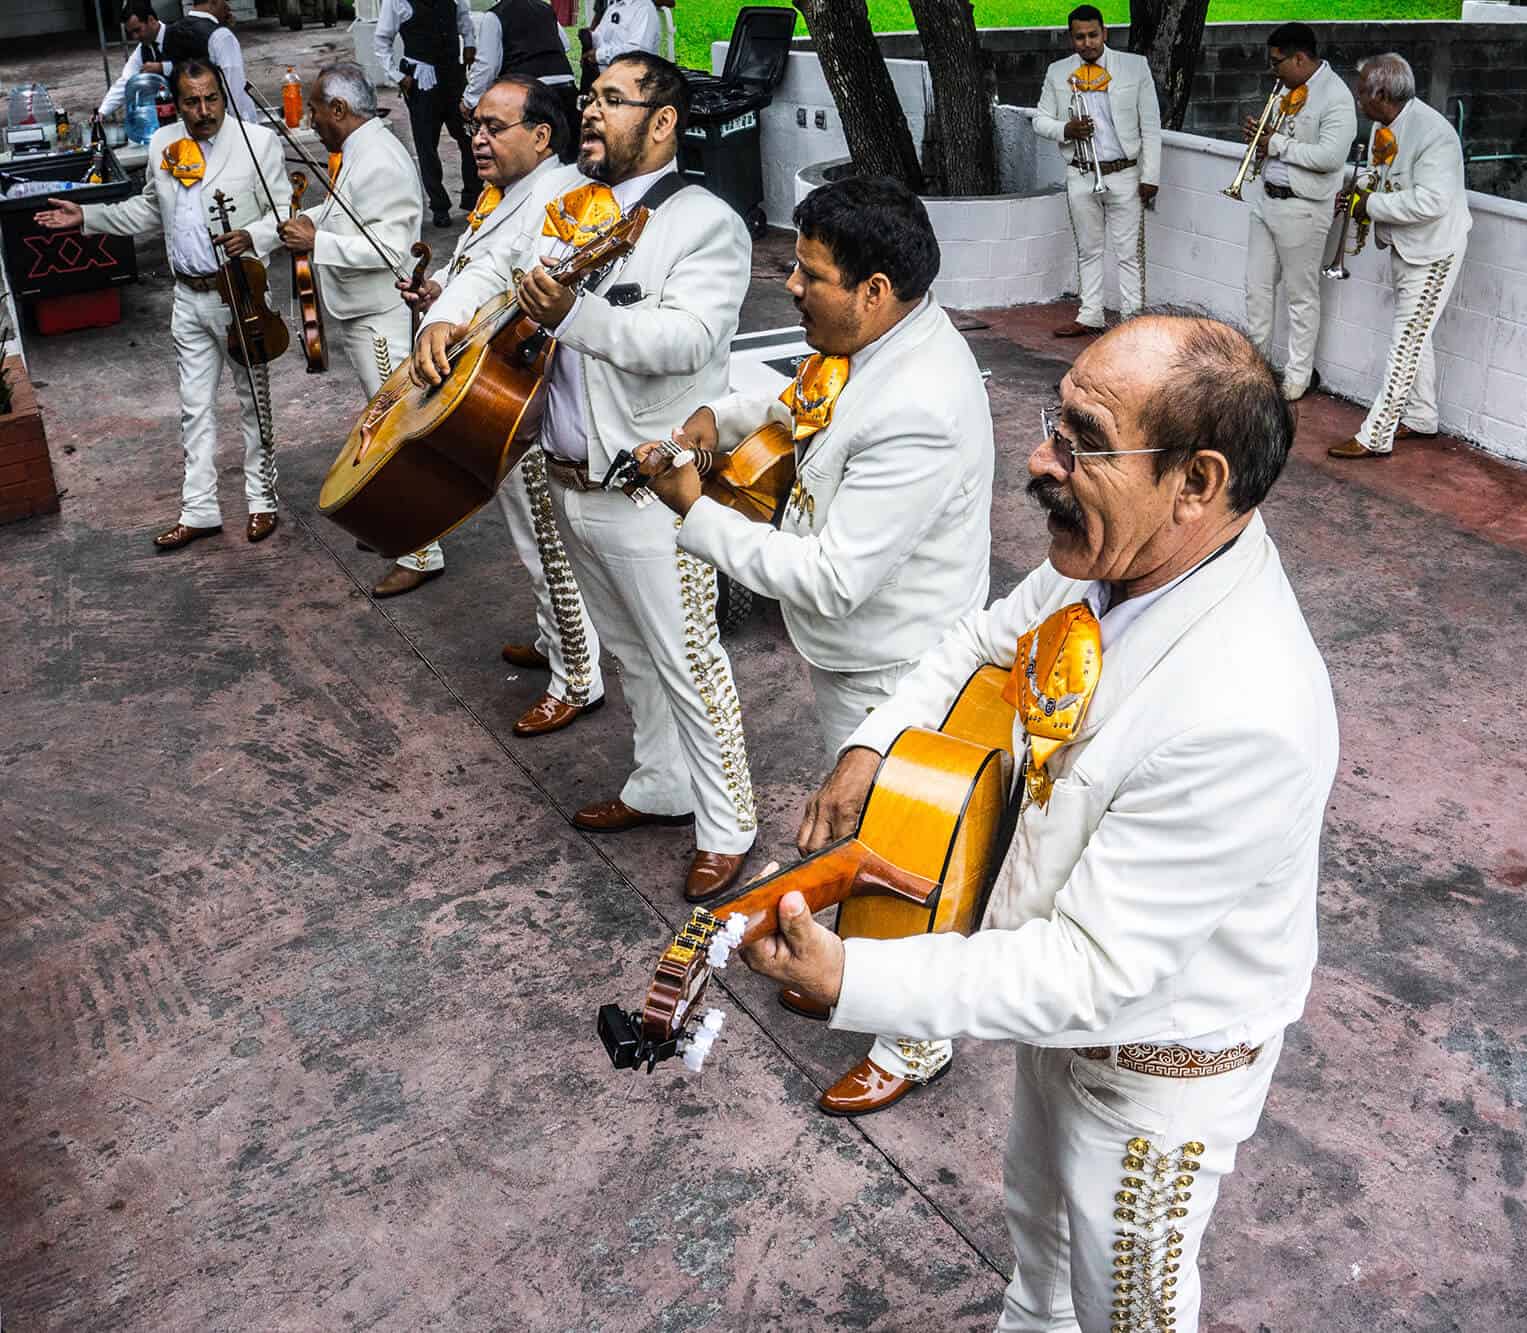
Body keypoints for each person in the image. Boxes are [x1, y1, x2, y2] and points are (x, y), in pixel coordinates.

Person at [740, 311, 1339, 1333]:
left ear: (1196, 483)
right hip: (1051, 1028)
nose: (1037, 459)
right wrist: (872, 744)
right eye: (1054, 422)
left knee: (1126, 1307)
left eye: (1082, 442)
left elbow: (1091, 970)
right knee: (1038, 1238)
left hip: (1155, 1074)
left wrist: (856, 979)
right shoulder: (1115, 559)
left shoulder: (1243, 710)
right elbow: (977, 641)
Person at [639, 175, 993, 1118]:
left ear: (874, 290)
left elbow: (834, 575)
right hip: (855, 656)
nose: (790, 286)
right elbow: (804, 394)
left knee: (900, 855)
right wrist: (726, 409)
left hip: (898, 669)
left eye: (809, 273)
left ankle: (915, 1040)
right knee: (867, 841)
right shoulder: (875, 339)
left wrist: (696, 512)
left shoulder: (917, 404)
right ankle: (856, 970)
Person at [414, 52, 757, 901]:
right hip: (573, 480)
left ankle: (729, 827)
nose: (592, 113)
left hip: (654, 498)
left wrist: (578, 314)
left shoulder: (705, 222)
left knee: (689, 663)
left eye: (613, 100)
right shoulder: (570, 208)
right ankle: (660, 784)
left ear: (665, 120)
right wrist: (448, 313)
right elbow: (494, 269)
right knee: (633, 656)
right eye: (591, 98)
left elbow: (685, 341)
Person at [400, 76, 604, 738]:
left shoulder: (559, 198)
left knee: (546, 542)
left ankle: (580, 675)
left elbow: (521, 292)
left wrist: (454, 309)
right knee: (529, 538)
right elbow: (484, 274)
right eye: (474, 125)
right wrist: (440, 299)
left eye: (494, 127)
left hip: (525, 400)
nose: (476, 138)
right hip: (498, 390)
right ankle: (553, 638)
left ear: (543, 137)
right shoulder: (512, 194)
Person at [39, 59, 288, 551]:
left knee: (253, 403)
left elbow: (285, 214)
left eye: (211, 98)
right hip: (187, 298)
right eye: (191, 101)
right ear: (177, 104)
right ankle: (200, 511)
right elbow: (151, 209)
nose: (203, 110)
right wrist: (87, 215)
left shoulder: (258, 143)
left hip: (240, 295)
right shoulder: (161, 144)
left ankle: (262, 501)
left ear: (224, 95)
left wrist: (253, 235)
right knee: (194, 410)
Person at [226, 63, 430, 595]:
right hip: (360, 313)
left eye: (315, 108)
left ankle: (422, 551)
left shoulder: (380, 159)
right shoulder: (358, 151)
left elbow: (392, 248)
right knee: (380, 426)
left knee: (394, 433)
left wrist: (317, 245)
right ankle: (398, 524)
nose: (310, 118)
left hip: (379, 317)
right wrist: (262, 235)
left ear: (340, 110)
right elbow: (336, 214)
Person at [1327, 53, 1472, 459]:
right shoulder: (1381, 126)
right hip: (1406, 244)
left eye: (1362, 93)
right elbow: (1378, 175)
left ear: (1383, 94)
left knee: (1405, 342)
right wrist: (1357, 191)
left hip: (1434, 250)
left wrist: (1368, 205)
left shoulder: (1435, 135)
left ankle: (1375, 435)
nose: (1357, 99)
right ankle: (1422, 416)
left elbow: (1431, 202)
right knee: (1414, 334)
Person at [1243, 22, 1356, 404]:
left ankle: (1296, 377)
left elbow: (1329, 158)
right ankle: (1254, 370)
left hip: (1305, 208)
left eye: (1278, 63)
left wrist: (1276, 144)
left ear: (1300, 58)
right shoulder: (1285, 91)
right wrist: (1262, 139)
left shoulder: (1336, 97)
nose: (1272, 70)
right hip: (1267, 200)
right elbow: (1276, 143)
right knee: (1256, 288)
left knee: (1300, 296)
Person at [1032, 5, 1160, 340]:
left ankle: (1133, 318)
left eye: (1092, 35)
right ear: (1071, 38)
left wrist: (1151, 177)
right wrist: (1066, 128)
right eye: (1079, 37)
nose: (1087, 43)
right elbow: (1040, 119)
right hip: (1081, 172)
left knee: (1129, 251)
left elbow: (1151, 127)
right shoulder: (1058, 72)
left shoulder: (1134, 67)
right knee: (1088, 249)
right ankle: (1090, 314)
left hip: (1124, 173)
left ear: (1105, 33)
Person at [374, 0, 479, 226]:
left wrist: (469, 42)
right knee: (426, 145)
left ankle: (473, 198)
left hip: (453, 73)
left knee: (469, 136)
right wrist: (396, 75)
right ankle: (439, 205)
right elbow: (382, 40)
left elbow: (464, 19)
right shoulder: (397, 2)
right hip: (421, 79)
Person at [491, 0, 583, 163]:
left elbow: (488, 65)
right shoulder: (544, 8)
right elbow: (566, 44)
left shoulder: (494, 15)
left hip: (530, 90)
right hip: (564, 83)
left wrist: (471, 100)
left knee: (537, 154)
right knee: (570, 153)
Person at [163, 0, 248, 124]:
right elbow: (234, 91)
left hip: (187, 123)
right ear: (214, 1)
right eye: (226, 1)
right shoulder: (221, 36)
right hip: (216, 121)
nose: (229, 7)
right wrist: (246, 126)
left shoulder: (171, 31)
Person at [98, 2, 167, 121]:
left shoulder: (178, 35)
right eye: (131, 33)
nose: (135, 37)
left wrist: (162, 67)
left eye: (138, 30)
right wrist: (102, 112)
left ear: (151, 20)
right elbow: (126, 81)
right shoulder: (142, 49)